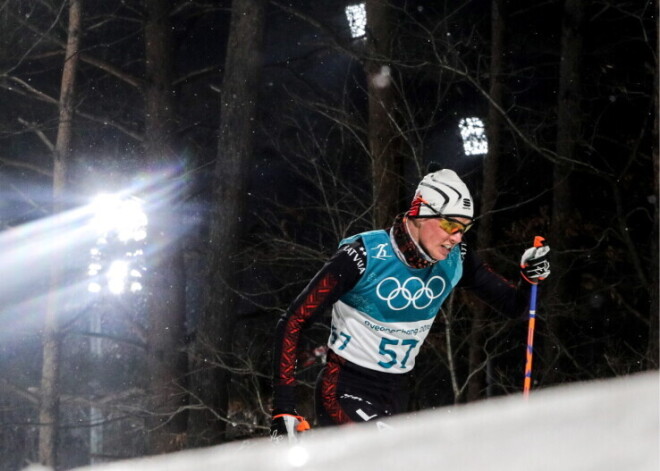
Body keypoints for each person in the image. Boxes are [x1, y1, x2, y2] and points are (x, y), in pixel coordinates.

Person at [269, 169, 550, 441]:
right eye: (451, 225)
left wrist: (529, 278)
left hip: (397, 392)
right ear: (420, 213)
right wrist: (284, 407)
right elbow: (294, 320)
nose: (457, 237)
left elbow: (517, 307)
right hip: (343, 386)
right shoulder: (363, 256)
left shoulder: (456, 260)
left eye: (465, 228)